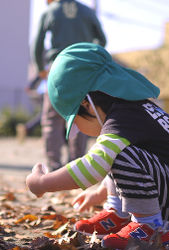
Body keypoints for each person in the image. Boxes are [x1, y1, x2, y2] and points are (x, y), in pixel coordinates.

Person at [26, 43, 169, 250]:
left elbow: (92, 168)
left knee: (116, 154)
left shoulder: (123, 120)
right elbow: (142, 164)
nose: (77, 128)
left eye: (75, 120)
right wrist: (100, 193)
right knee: (113, 150)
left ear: (86, 103)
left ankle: (150, 227)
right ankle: (119, 214)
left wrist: (42, 183)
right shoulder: (132, 110)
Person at [33, 0, 106, 171]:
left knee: (52, 118)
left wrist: (39, 67)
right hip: (82, 69)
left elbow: (37, 43)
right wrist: (90, 57)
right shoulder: (87, 11)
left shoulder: (50, 11)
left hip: (57, 67)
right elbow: (102, 39)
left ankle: (54, 166)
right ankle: (76, 165)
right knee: (80, 116)